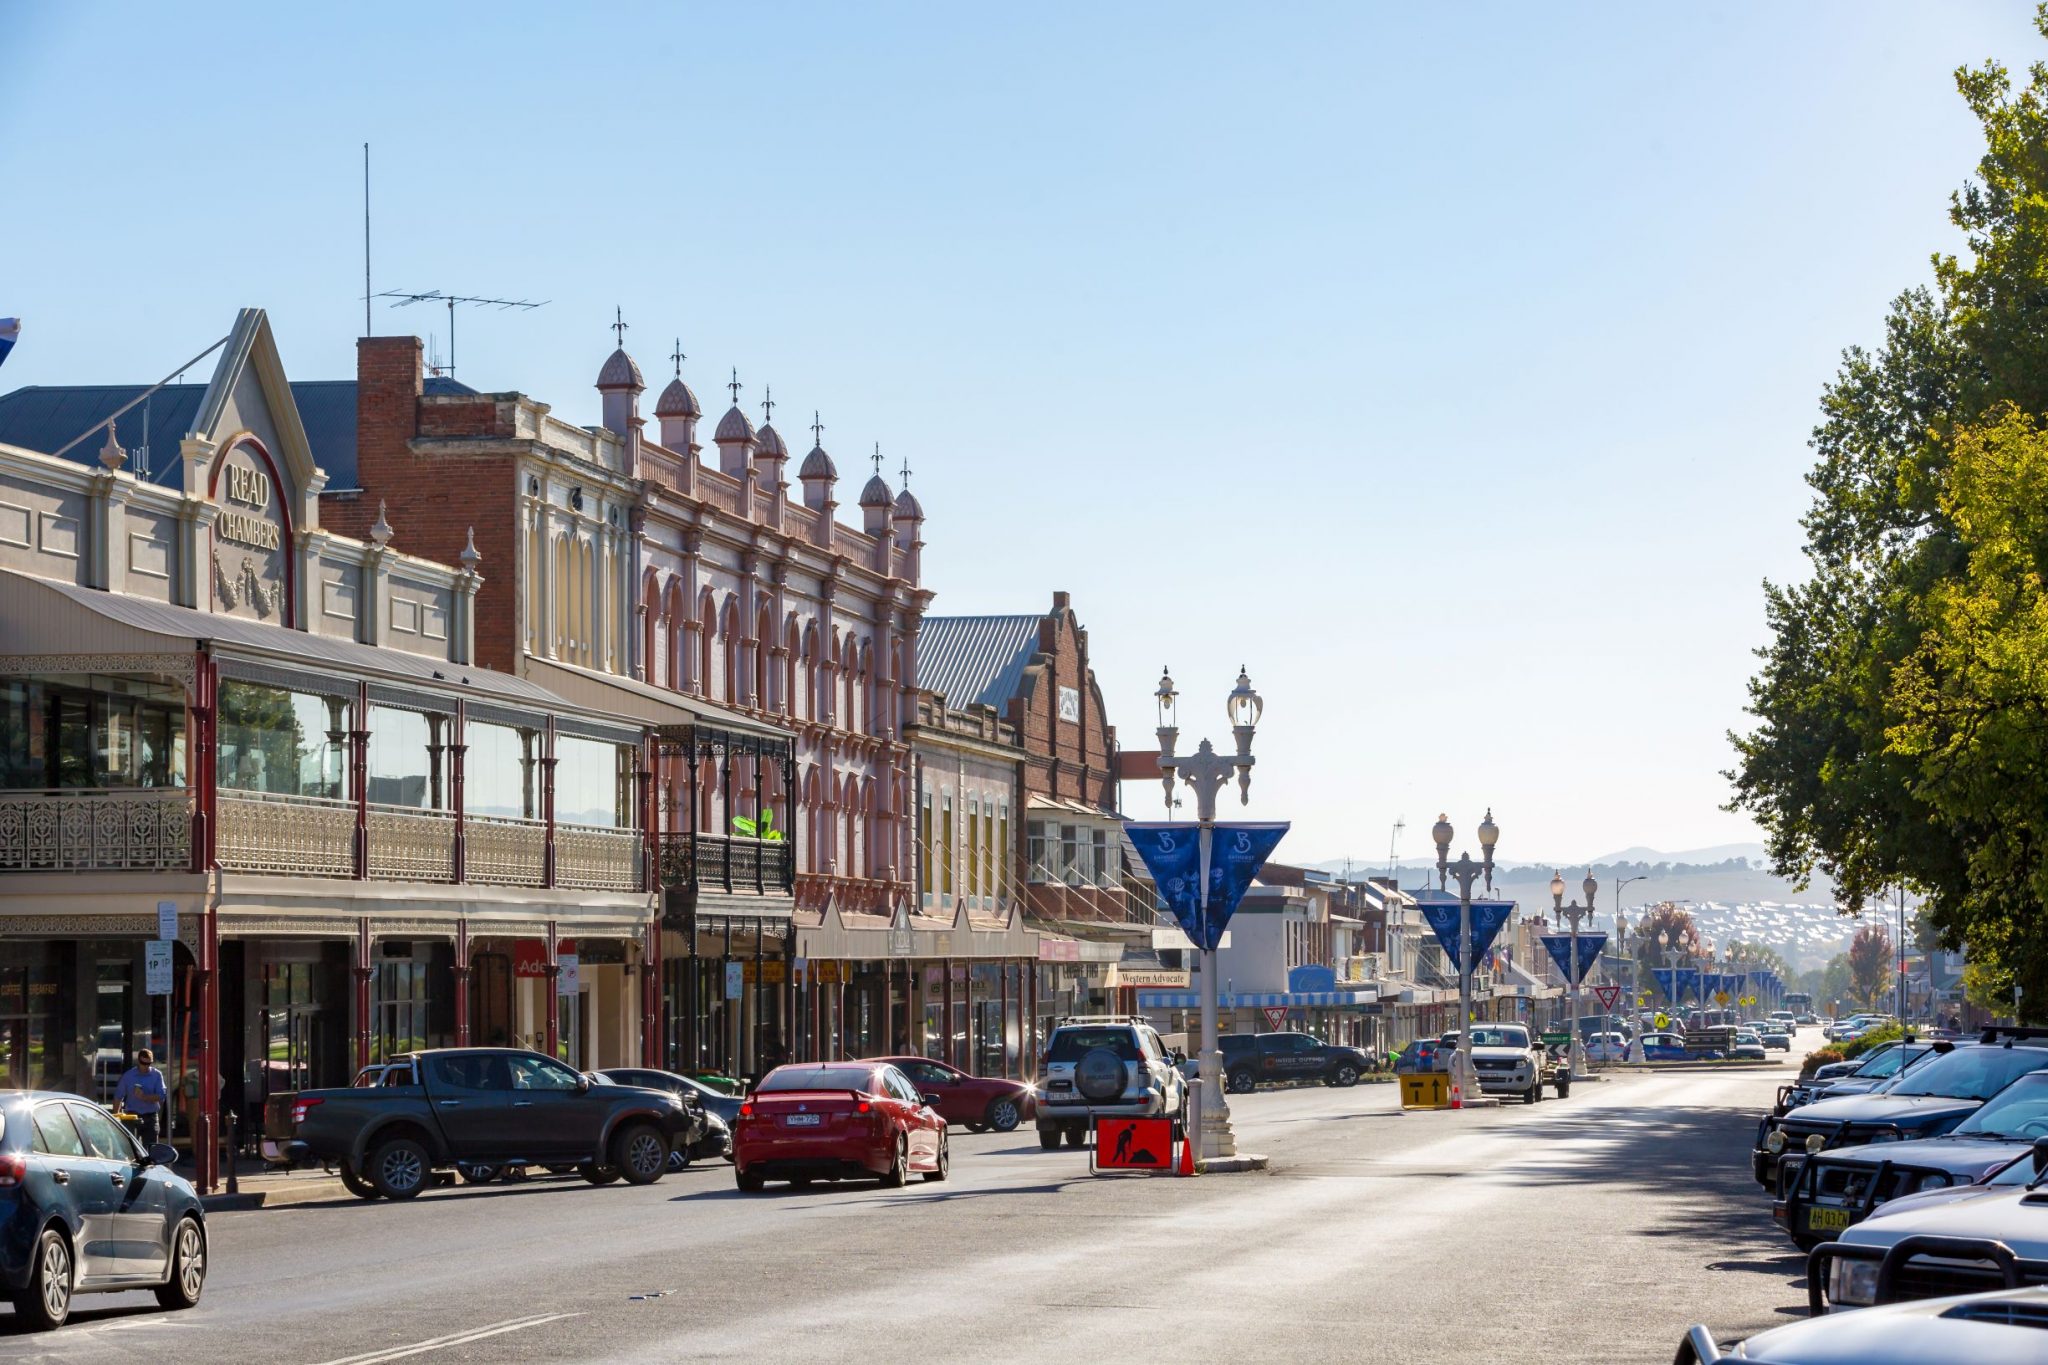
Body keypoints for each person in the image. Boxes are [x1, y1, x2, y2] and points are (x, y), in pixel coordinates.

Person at [114, 1048, 170, 1147]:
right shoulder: (129, 1076)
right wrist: (115, 1117)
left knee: (150, 1149)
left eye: (149, 1064)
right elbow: (118, 1096)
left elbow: (161, 1095)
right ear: (139, 1061)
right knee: (130, 1148)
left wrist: (145, 1097)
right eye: (144, 1063)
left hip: (150, 1117)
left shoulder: (156, 1075)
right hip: (131, 1116)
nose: (146, 1066)